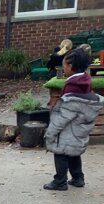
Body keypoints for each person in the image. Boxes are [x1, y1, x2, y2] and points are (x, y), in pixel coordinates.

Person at [43, 47, 104, 191]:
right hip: (80, 125)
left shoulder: (72, 86)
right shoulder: (86, 81)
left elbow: (66, 113)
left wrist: (51, 131)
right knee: (74, 152)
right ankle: (78, 178)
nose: (63, 69)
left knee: (60, 152)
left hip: (68, 126)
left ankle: (60, 181)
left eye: (64, 65)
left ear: (70, 66)